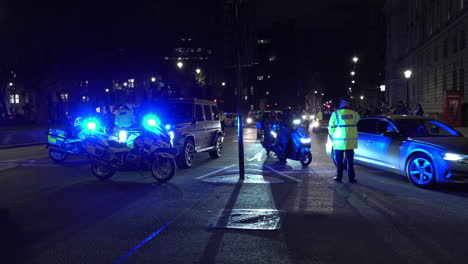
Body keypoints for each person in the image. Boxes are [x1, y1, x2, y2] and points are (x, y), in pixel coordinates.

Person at [328, 97, 360, 183]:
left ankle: (339, 178)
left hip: (339, 142)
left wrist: (333, 135)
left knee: (339, 161)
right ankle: (351, 178)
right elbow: (357, 121)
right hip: (350, 143)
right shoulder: (354, 114)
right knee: (350, 161)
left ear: (341, 105)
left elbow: (331, 128)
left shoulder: (336, 114)